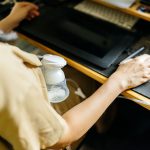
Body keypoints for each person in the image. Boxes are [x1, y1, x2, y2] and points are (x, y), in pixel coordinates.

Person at [0, 2, 150, 150]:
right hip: (49, 136)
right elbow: (63, 136)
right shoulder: (5, 73)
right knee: (90, 78)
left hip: (24, 91)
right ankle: (105, 127)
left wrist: (4, 25)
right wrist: (120, 81)